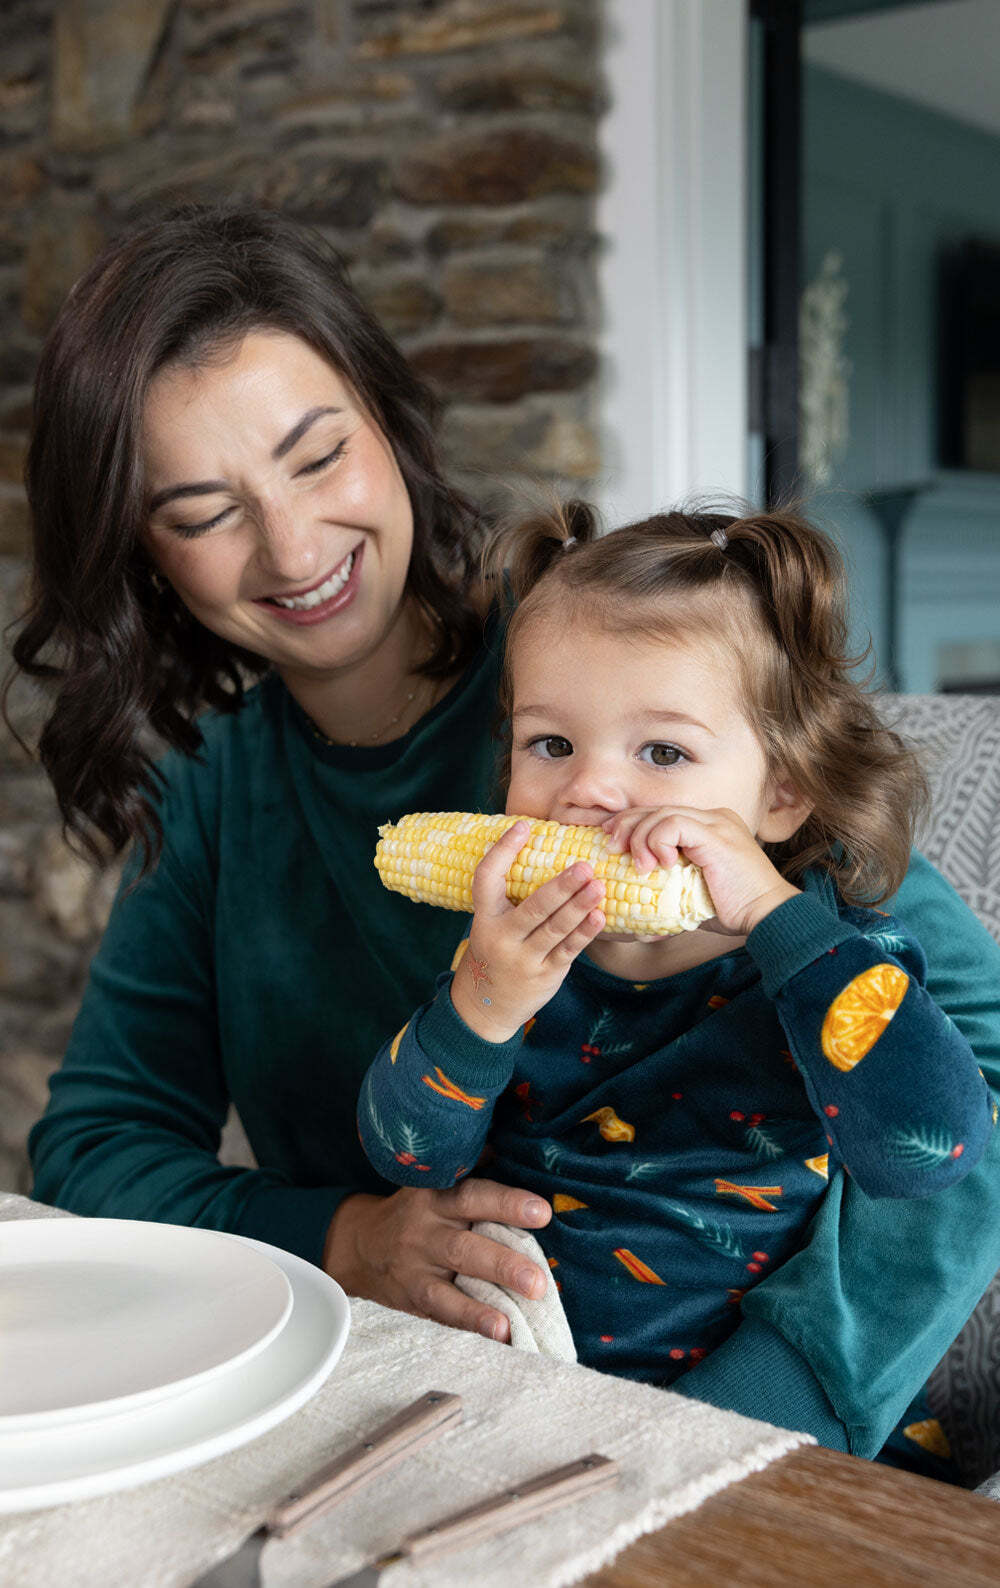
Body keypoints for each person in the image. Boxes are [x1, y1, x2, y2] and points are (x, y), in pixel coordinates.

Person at [7, 204, 1000, 1468]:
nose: (296, 547)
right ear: (145, 554)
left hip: (730, 1397)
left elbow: (969, 1062)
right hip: (411, 1389)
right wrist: (341, 1237)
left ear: (389, 422)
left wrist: (772, 1392)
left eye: (319, 457)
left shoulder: (629, 688)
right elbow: (95, 1150)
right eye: (203, 511)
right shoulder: (215, 785)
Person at [358, 503, 995, 1457]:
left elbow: (934, 1150)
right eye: (550, 744)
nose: (589, 790)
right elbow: (405, 1157)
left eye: (663, 752)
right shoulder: (511, 951)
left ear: (781, 793)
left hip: (751, 1416)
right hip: (515, 1377)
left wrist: (780, 922)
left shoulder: (836, 954)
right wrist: (480, 1008)